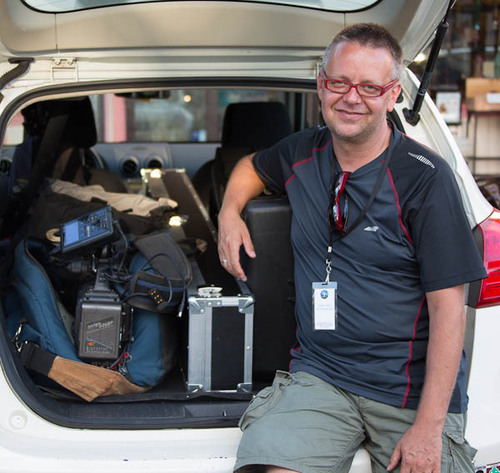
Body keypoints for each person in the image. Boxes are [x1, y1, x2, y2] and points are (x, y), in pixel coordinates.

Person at [217, 23, 486, 473]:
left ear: (392, 93)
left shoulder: (426, 178)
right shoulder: (301, 151)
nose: (351, 98)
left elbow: (449, 311)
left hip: (407, 392)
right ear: (321, 84)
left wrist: (427, 428)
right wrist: (228, 212)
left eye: (369, 86)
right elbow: (250, 166)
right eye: (339, 82)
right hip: (322, 378)